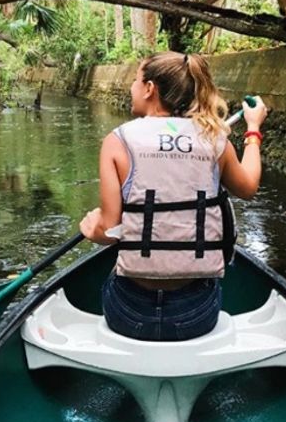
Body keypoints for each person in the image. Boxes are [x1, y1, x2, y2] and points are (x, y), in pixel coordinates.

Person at [78, 51, 268, 342]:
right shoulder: (214, 139)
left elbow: (110, 231)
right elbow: (248, 186)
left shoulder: (117, 141)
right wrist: (253, 130)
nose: (132, 87)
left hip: (130, 313)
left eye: (134, 80)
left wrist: (92, 228)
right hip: (196, 314)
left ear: (150, 89)